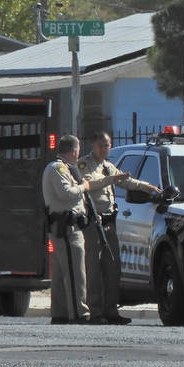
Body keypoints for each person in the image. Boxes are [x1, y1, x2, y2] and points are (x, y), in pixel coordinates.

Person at [77, 132, 159, 325]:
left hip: (109, 223)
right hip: (93, 223)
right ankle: (96, 312)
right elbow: (89, 184)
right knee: (94, 269)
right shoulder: (84, 164)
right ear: (93, 146)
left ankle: (111, 310)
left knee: (112, 267)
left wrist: (147, 187)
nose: (105, 149)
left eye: (107, 145)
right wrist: (112, 180)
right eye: (101, 146)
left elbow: (125, 181)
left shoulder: (107, 166)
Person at [42, 135, 125, 324]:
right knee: (75, 273)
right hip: (66, 226)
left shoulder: (67, 168)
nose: (79, 153)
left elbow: (83, 187)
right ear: (73, 151)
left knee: (64, 273)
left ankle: (61, 313)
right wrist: (83, 187)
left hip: (71, 225)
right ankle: (79, 313)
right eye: (78, 150)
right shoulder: (58, 168)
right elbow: (66, 193)